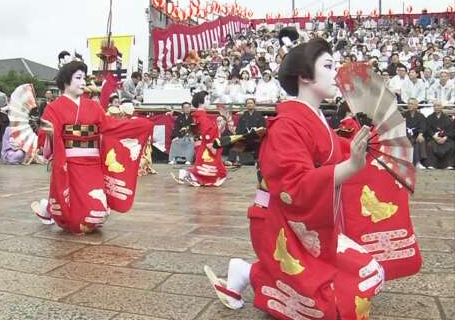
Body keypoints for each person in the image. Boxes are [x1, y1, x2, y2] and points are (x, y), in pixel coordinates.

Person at [204, 38, 385, 318]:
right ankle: (253, 272)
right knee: (346, 288)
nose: (335, 73)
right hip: (279, 219)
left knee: (368, 272)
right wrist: (351, 166)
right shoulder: (287, 124)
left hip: (301, 218)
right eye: (328, 66)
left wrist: (370, 146)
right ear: (303, 76)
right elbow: (294, 185)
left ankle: (246, 272)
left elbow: (335, 152)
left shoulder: (313, 117)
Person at [31, 62, 153, 234]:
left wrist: (137, 126)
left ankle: (48, 209)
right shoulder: (53, 108)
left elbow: (110, 126)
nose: (83, 83)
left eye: (84, 78)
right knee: (78, 222)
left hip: (93, 165)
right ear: (66, 81)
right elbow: (45, 143)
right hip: (70, 164)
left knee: (97, 215)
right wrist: (51, 134)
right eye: (78, 78)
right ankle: (51, 210)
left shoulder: (93, 106)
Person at [173, 91, 227, 187]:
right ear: (201, 102)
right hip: (206, 144)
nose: (209, 102)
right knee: (208, 165)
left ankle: (189, 175)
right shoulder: (201, 116)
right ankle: (189, 175)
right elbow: (208, 132)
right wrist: (218, 127)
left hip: (202, 143)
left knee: (207, 165)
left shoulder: (199, 115)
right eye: (207, 99)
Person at [425, 100, 455, 169]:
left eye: (438, 106)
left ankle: (448, 164)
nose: (436, 107)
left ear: (441, 107)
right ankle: (432, 164)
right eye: (435, 106)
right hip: (433, 138)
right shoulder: (429, 118)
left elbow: (451, 130)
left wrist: (445, 137)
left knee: (451, 145)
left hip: (445, 138)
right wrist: (434, 137)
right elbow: (428, 129)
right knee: (429, 145)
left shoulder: (447, 118)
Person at [404, 98, 428, 167]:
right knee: (410, 140)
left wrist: (420, 134)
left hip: (416, 135)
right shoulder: (403, 115)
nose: (409, 105)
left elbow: (423, 126)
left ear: (416, 106)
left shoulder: (421, 116)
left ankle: (418, 162)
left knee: (419, 140)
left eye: (411, 104)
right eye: (408, 104)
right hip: (405, 135)